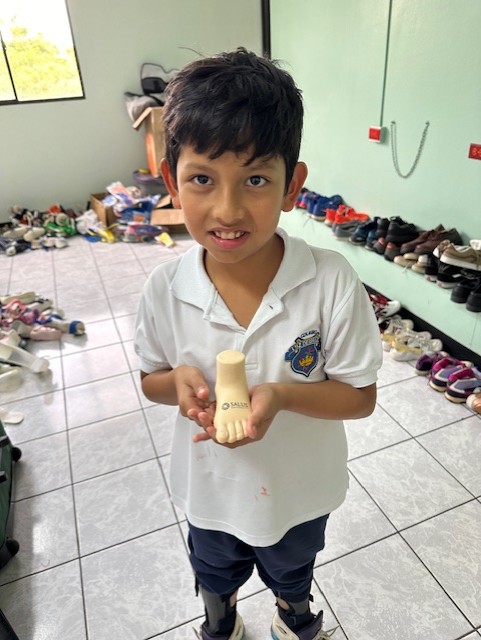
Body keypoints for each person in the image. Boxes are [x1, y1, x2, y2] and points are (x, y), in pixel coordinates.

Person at [134, 48, 383, 640]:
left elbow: (359, 397)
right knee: (214, 567)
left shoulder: (329, 280)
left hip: (298, 488)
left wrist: (280, 394)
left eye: (255, 179)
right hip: (211, 488)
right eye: (201, 179)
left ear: (293, 185)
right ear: (171, 181)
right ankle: (218, 619)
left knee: (293, 566)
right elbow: (149, 379)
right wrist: (178, 384)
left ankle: (293, 611)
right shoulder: (165, 288)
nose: (227, 209)